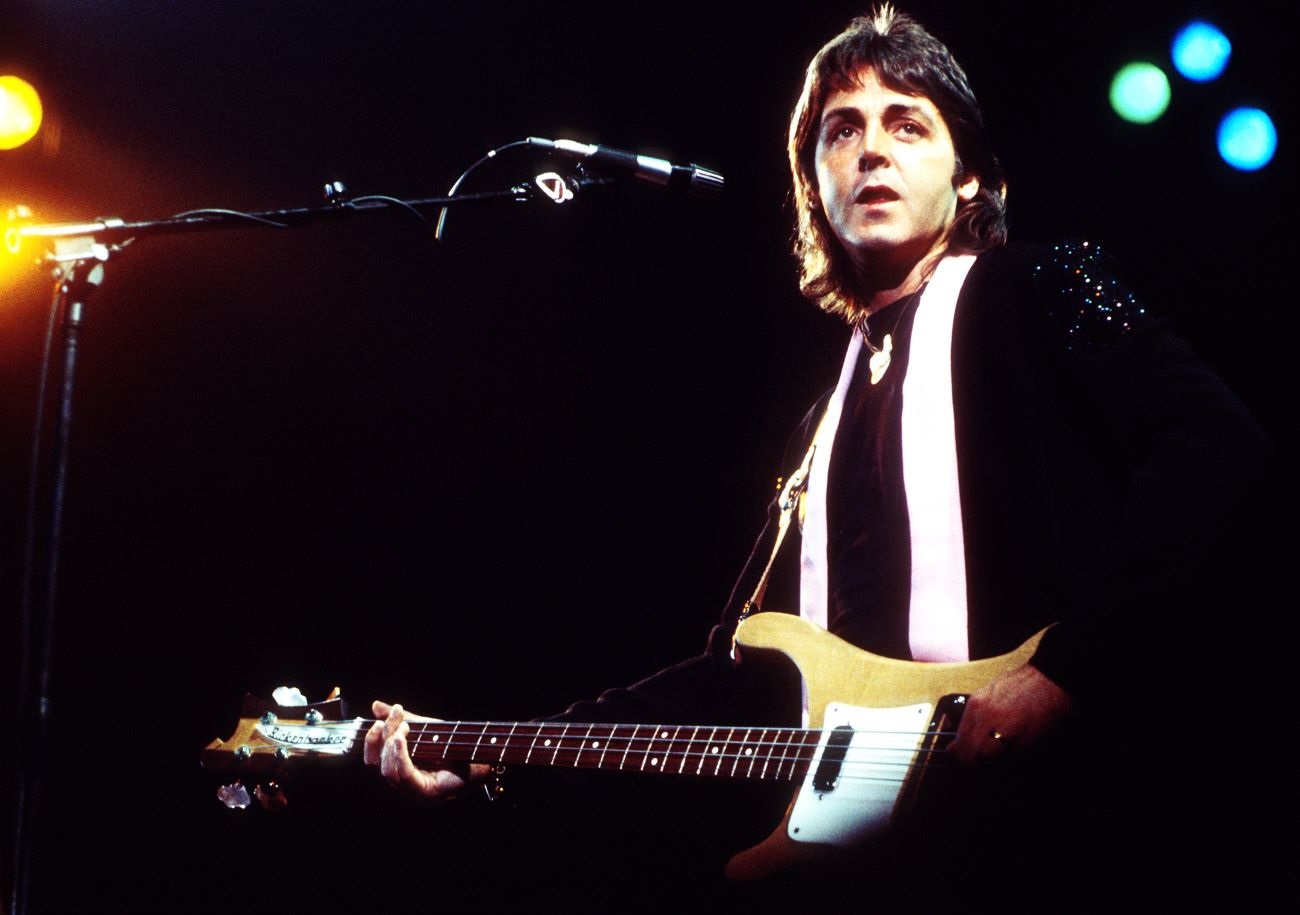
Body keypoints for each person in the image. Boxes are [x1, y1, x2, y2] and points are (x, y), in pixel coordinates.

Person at [365, 4, 1279, 905]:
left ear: (966, 180)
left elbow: (1218, 447)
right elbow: (732, 678)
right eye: (842, 131)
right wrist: (489, 751)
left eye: (907, 124)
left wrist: (1070, 668)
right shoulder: (823, 417)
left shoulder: (1036, 285)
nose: (871, 149)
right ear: (815, 184)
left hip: (1067, 834)